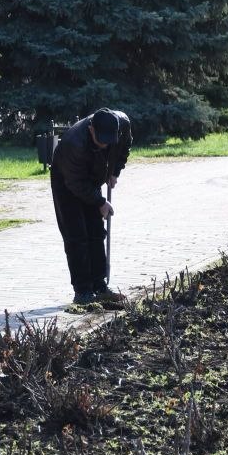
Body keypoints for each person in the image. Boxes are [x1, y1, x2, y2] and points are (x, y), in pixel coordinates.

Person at [50, 108, 132, 306]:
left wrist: (115, 172)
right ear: (91, 129)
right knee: (76, 236)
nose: (104, 145)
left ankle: (99, 286)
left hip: (92, 178)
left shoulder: (122, 124)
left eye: (108, 141)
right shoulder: (74, 143)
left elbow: (124, 147)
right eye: (100, 140)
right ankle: (83, 292)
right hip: (67, 182)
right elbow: (76, 183)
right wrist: (100, 202)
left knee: (96, 232)